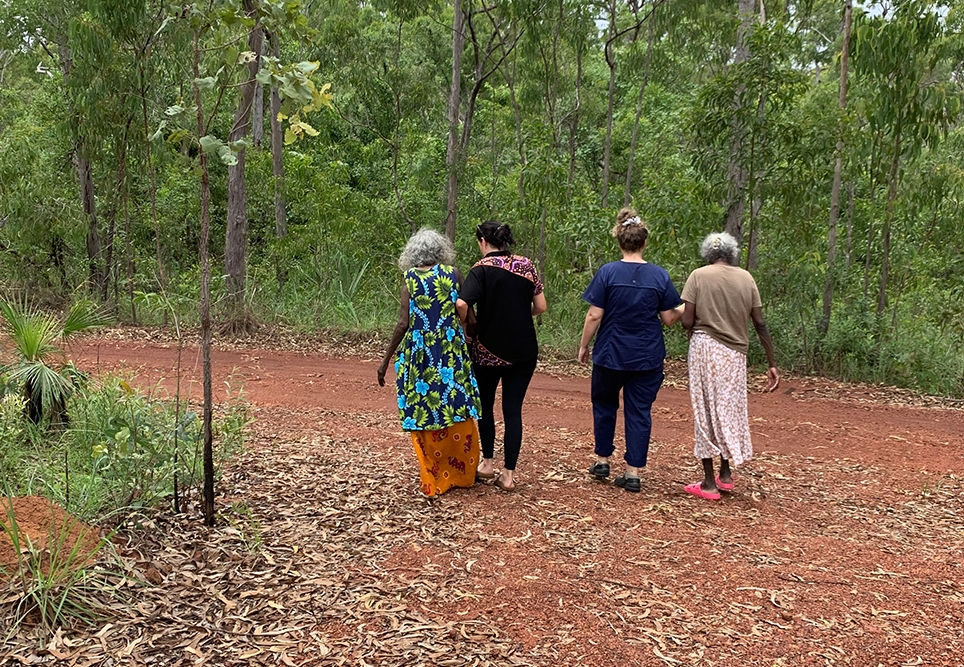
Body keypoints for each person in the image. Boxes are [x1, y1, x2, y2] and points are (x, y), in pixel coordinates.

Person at [578, 208, 683, 493]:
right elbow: (669, 318)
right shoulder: (659, 276)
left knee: (604, 405)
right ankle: (633, 471)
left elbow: (594, 315)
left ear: (620, 241)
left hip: (611, 352)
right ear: (644, 242)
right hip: (647, 356)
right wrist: (686, 305)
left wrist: (584, 345)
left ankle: (602, 460)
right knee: (639, 412)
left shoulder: (607, 273)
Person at [377, 228, 482, 497]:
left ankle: (432, 475)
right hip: (450, 349)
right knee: (457, 402)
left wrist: (386, 359)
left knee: (423, 406)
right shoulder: (453, 274)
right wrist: (471, 336)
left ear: (412, 254)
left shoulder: (409, 280)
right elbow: (467, 313)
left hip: (420, 353)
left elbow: (403, 323)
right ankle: (462, 472)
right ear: (440, 252)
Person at [680, 231, 780, 501]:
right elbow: (759, 322)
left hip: (704, 349)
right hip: (735, 355)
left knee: (706, 412)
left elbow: (687, 322)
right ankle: (725, 475)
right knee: (727, 409)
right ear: (732, 254)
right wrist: (771, 363)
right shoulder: (746, 278)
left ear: (709, 255)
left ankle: (709, 482)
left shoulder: (698, 276)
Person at [456, 221, 547, 492]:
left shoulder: (480, 270)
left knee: (485, 406)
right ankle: (508, 474)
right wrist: (518, 312)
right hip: (523, 349)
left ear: (483, 241)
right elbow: (540, 306)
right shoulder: (526, 265)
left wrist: (468, 324)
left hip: (488, 350)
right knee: (512, 410)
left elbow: (462, 303)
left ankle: (487, 462)